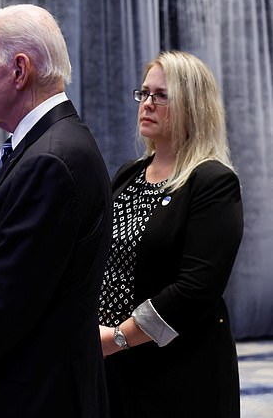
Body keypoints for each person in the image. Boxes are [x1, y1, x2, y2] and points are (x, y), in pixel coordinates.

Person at [0, 4, 112, 417]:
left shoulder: (51, 159)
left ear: (19, 69)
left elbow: (9, 299)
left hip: (40, 397)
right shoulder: (48, 145)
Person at [98, 50, 243, 418]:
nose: (147, 104)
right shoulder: (129, 174)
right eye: (144, 93)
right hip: (112, 365)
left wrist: (118, 338)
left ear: (193, 105)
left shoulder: (212, 181)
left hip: (177, 373)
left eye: (161, 96)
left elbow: (196, 289)